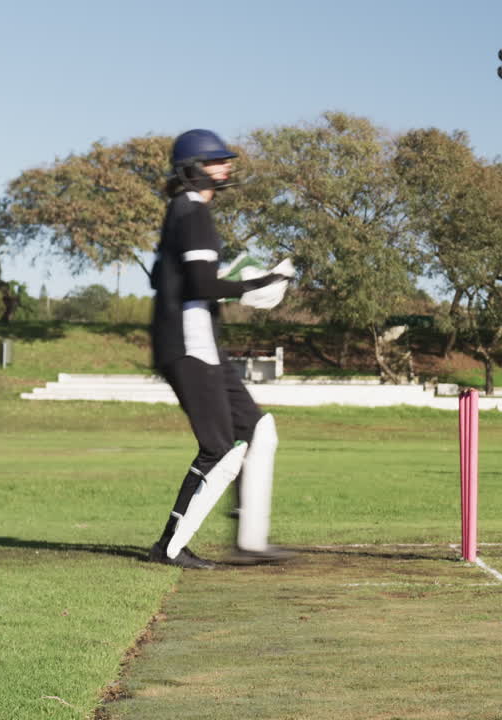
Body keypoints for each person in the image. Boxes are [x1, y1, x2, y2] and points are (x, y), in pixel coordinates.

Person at [147, 129, 295, 569]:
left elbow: (169, 279)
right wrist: (255, 284)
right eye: (216, 161)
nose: (225, 166)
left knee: (258, 430)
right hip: (189, 346)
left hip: (202, 342)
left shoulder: (187, 213)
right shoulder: (191, 212)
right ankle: (169, 548)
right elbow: (199, 284)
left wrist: (239, 282)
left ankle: (250, 541)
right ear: (193, 170)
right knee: (218, 448)